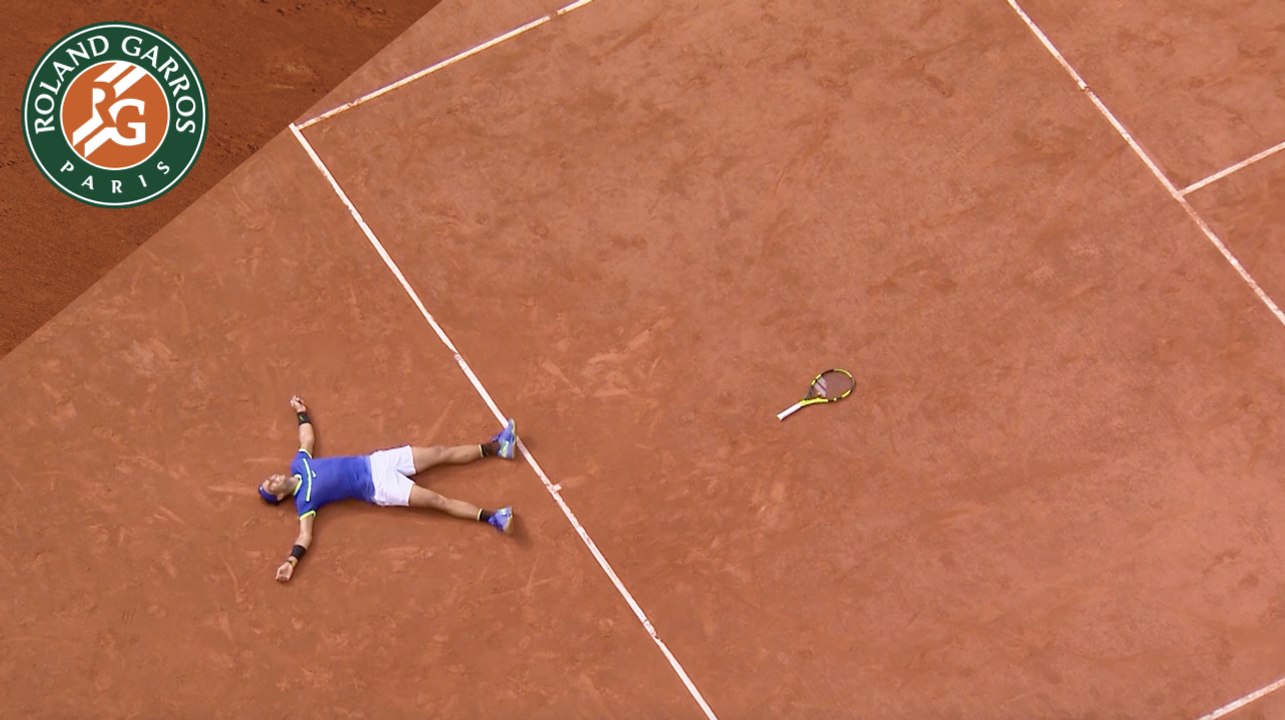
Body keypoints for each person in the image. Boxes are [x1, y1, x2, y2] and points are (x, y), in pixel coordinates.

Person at [258, 395, 517, 583]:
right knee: (437, 501)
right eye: (270, 486)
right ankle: (493, 517)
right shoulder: (305, 502)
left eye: (268, 478)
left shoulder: (298, 464)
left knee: (439, 453)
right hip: (380, 487)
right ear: (280, 495)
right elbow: (305, 536)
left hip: (377, 461)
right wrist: (291, 561)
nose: (271, 479)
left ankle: (498, 447)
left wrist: (301, 412)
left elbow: (307, 438)